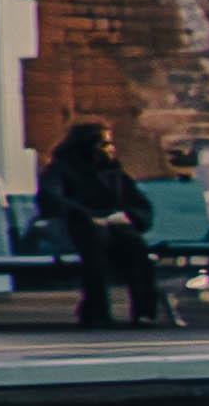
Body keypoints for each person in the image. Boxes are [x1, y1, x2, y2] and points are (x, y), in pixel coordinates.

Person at [36, 118, 167, 328]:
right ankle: (97, 309)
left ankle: (144, 310)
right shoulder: (60, 169)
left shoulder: (114, 172)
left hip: (113, 226)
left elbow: (138, 203)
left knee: (134, 243)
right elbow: (52, 199)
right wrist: (89, 215)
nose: (110, 149)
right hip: (74, 227)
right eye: (104, 144)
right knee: (93, 240)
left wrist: (128, 216)